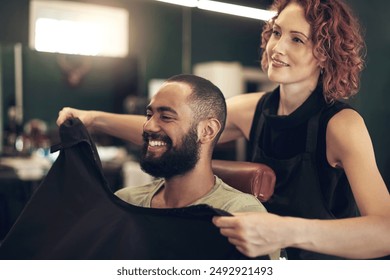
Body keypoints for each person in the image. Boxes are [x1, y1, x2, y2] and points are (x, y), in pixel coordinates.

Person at [57, 0, 390, 259]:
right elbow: (175, 130)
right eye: (276, 32)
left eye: (297, 39)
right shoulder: (255, 109)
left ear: (324, 54)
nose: (278, 48)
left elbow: (385, 231)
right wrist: (94, 119)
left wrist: (285, 232)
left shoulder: (342, 125)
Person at [58, 74, 280, 260]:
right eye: (149, 114)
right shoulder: (125, 203)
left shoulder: (241, 214)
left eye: (166, 116)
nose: (148, 125)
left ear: (207, 131)